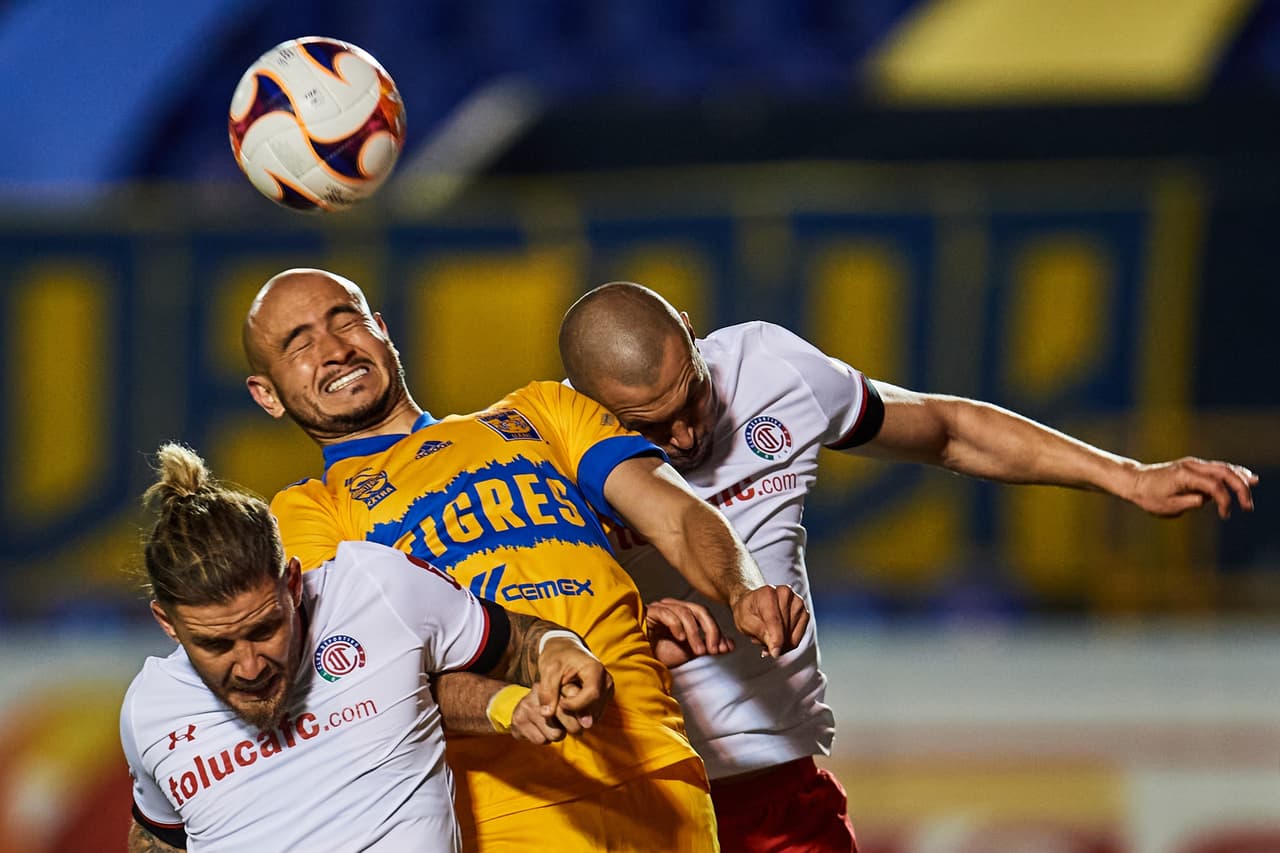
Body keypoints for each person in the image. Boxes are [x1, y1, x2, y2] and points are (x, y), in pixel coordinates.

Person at [557, 281, 1261, 853]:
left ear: (690, 329)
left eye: (694, 394)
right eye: (650, 425)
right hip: (633, 799)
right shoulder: (543, 463)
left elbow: (947, 430)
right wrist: (626, 634)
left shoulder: (769, 370)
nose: (687, 434)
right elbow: (495, 639)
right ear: (587, 404)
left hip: (775, 792)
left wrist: (1127, 477)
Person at [240, 268, 810, 852]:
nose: (334, 350)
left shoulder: (541, 409)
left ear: (383, 330)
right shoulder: (308, 514)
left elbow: (675, 513)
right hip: (508, 814)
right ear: (266, 394)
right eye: (301, 344)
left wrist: (743, 588)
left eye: (347, 321)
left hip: (661, 777)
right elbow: (366, 682)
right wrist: (504, 704)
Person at [121, 442, 611, 853]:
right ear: (167, 623)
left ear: (293, 583)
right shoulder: (149, 710)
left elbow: (518, 641)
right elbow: (157, 838)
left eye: (265, 629)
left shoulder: (378, 589)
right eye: (216, 644)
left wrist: (559, 648)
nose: (249, 666)